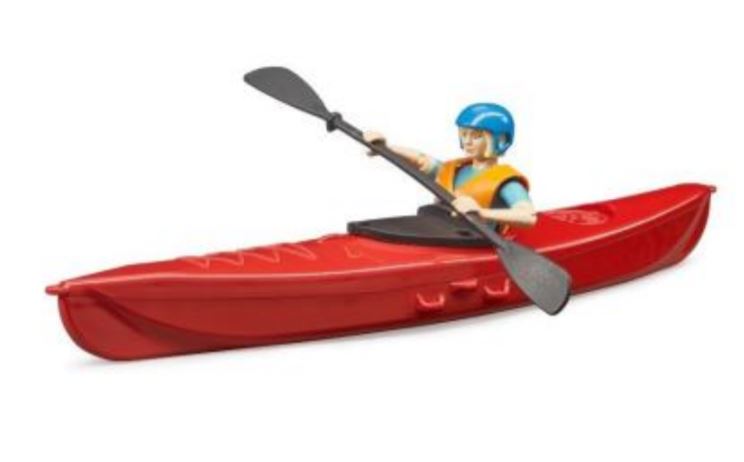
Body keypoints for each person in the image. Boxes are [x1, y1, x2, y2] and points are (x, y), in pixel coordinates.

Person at [363, 103, 537, 228]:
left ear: (500, 140)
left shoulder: (506, 181)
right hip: (441, 231)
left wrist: (481, 213)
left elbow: (528, 215)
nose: (467, 141)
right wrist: (386, 148)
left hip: (476, 241)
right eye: (464, 135)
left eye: (476, 136)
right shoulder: (455, 169)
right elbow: (420, 160)